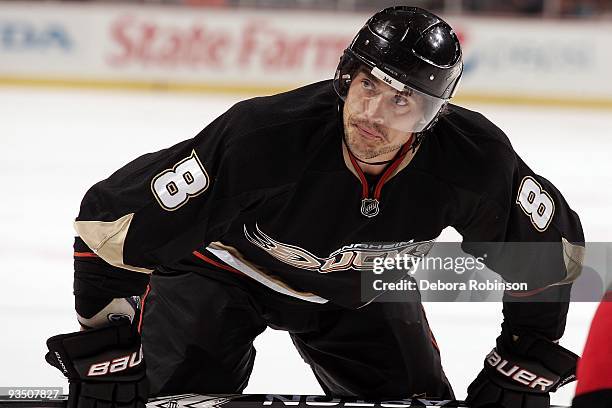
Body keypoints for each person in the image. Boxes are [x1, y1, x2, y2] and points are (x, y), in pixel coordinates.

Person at [45, 6, 584, 408]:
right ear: (346, 78)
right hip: (221, 273)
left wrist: (525, 354)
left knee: (417, 401)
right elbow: (112, 224)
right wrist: (109, 341)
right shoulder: (262, 137)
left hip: (360, 286)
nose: (374, 113)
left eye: (403, 101)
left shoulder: (475, 160)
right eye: (368, 86)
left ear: (434, 113)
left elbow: (548, 256)